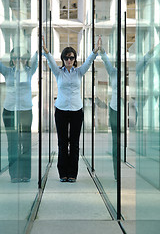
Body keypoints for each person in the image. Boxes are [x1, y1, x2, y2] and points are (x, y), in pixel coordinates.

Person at [42, 36, 101, 182]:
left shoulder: (79, 72)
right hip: (61, 110)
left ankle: (72, 174)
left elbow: (88, 62)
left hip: (76, 111)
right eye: (66, 58)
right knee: (62, 142)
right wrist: (45, 51)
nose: (69, 60)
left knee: (74, 143)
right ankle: (63, 173)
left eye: (72, 58)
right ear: (62, 59)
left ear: (75, 59)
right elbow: (50, 61)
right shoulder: (58, 72)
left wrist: (95, 50)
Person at [99, 36, 157, 181]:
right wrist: (101, 49)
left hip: (127, 110)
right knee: (115, 142)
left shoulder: (131, 72)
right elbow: (105, 60)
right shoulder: (113, 72)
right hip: (114, 110)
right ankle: (116, 172)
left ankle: (125, 165)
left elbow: (143, 63)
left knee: (123, 141)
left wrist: (150, 52)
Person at [0, 47, 38, 183]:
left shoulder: (29, 72)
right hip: (10, 110)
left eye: (21, 58)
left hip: (25, 111)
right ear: (12, 60)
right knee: (12, 143)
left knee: (25, 143)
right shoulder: (7, 72)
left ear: (25, 59)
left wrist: (40, 47)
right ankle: (14, 174)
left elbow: (36, 58)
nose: (18, 60)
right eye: (15, 58)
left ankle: (25, 174)